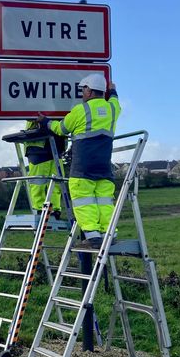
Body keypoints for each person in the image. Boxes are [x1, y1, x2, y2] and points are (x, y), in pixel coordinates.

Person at [37, 73, 121, 248]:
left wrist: (45, 122)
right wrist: (113, 91)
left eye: (84, 89)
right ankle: (108, 233)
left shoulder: (80, 110)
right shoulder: (113, 109)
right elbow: (114, 100)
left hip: (83, 167)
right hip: (105, 167)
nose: (82, 93)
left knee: (83, 199)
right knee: (105, 201)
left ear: (89, 91)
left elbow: (60, 129)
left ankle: (93, 236)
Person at [23, 120, 67, 219]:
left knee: (57, 182)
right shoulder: (35, 105)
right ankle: (39, 209)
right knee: (38, 181)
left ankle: (55, 209)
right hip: (38, 146)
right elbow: (30, 116)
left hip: (56, 145)